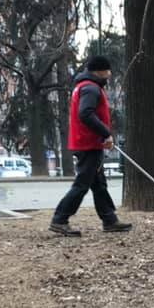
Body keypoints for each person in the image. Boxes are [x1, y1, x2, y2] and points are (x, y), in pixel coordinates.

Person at [49, 56, 131, 237]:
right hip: (88, 143)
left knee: (99, 183)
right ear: (100, 71)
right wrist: (105, 133)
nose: (110, 75)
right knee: (82, 184)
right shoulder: (91, 88)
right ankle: (60, 219)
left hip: (87, 142)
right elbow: (86, 113)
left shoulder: (84, 86)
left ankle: (109, 219)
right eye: (108, 71)